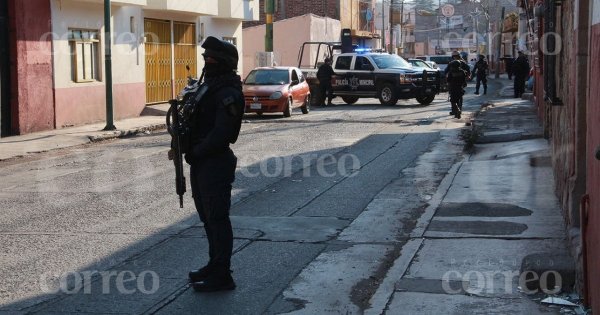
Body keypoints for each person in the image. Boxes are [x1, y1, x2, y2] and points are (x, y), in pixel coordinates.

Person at [184, 36, 244, 292]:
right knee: (207, 217)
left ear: (224, 62)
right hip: (200, 162)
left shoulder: (228, 92)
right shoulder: (208, 86)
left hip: (215, 162)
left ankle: (223, 274)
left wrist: (198, 151)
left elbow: (224, 132)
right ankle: (214, 263)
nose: (206, 62)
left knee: (218, 218)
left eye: (211, 59)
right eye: (205, 58)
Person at [445, 51, 470, 118]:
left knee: (453, 99)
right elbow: (468, 72)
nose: (455, 57)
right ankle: (458, 110)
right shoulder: (462, 64)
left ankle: (456, 110)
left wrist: (447, 81)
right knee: (459, 97)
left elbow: (446, 73)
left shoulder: (452, 64)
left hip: (453, 85)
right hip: (460, 84)